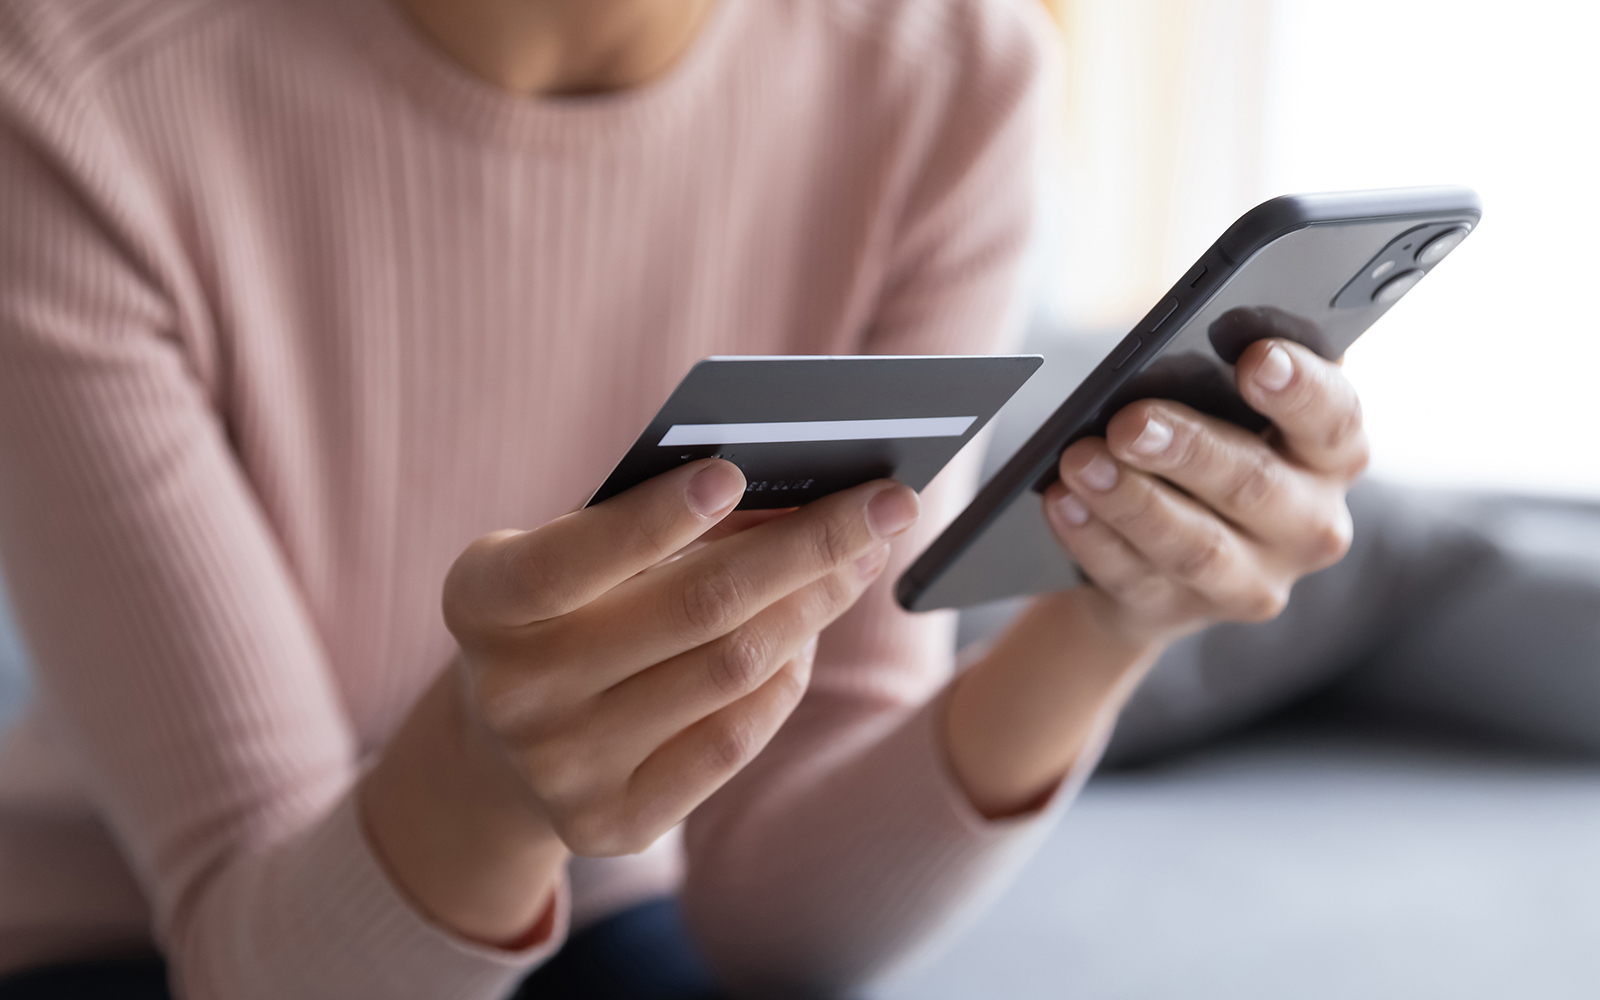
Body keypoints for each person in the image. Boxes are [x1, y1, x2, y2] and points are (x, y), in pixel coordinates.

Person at [0, 0, 1366, 997]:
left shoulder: (949, 74)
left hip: (598, 921)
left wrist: (1106, 624)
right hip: (135, 932)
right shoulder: (68, 87)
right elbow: (258, 962)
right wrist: (484, 783)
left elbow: (776, 918)